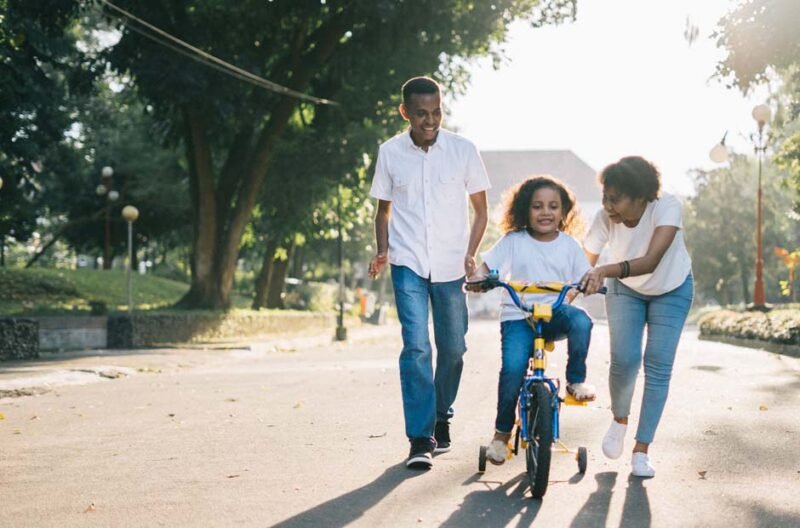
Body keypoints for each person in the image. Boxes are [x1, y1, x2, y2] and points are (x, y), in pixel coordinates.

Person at [368, 76, 490, 469]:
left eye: (436, 112)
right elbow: (383, 210)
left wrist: (471, 253)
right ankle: (420, 438)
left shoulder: (463, 150)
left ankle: (441, 415)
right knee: (417, 346)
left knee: (453, 349)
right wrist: (383, 250)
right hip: (407, 263)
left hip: (452, 265)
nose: (430, 120)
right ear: (405, 112)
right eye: (421, 113)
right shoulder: (390, 152)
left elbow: (481, 210)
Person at [580, 156, 693, 478]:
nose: (608, 205)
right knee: (625, 360)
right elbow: (583, 262)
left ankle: (642, 450)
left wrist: (603, 270)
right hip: (625, 290)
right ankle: (619, 419)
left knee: (658, 364)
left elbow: (651, 261)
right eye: (605, 197)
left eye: (615, 199)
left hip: (672, 288)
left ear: (641, 195)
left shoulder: (666, 207)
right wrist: (568, 291)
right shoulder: (605, 218)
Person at [469, 175, 595, 465]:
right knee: (513, 369)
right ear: (525, 210)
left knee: (582, 322)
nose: (546, 212)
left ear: (564, 212)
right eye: (537, 206)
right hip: (518, 315)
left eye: (553, 206)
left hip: (554, 314)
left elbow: (583, 277)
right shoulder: (514, 241)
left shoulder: (570, 246)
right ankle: (501, 434)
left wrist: (588, 284)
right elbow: (486, 268)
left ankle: (576, 381)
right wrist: (478, 279)